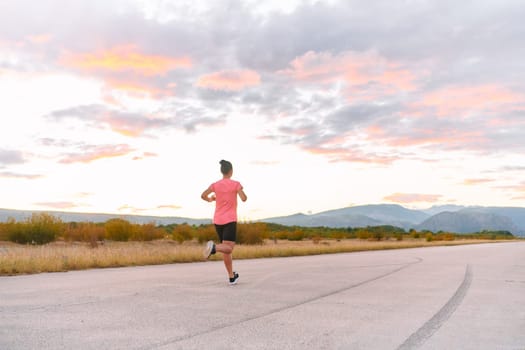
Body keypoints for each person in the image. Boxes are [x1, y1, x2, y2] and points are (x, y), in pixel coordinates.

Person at [201, 159, 247, 285]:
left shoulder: (215, 185)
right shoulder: (235, 184)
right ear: (231, 171)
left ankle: (231, 277)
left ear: (222, 171)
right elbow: (244, 198)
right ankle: (213, 248)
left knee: (226, 249)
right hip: (230, 219)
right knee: (229, 248)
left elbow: (203, 195)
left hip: (217, 220)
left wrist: (211, 199)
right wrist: (239, 192)